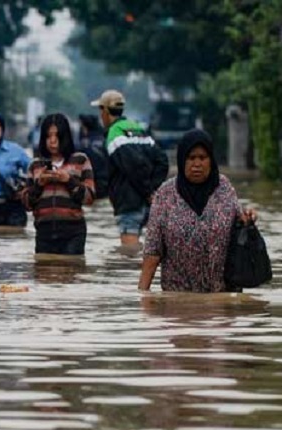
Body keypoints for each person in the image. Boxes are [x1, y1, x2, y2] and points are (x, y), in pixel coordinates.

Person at [138, 129, 258, 293]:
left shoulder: (224, 188)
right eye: (191, 158)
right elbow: (152, 252)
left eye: (202, 158)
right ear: (182, 160)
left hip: (220, 299)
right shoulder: (165, 195)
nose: (197, 164)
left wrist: (246, 221)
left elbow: (238, 229)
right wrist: (142, 298)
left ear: (211, 160)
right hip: (178, 301)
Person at [91, 89, 168, 246]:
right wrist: (153, 191)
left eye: (100, 110)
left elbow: (133, 165)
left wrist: (148, 192)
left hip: (129, 204)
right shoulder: (139, 129)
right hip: (146, 205)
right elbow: (162, 161)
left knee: (129, 253)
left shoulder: (114, 134)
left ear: (105, 111)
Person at [24, 113, 95, 255]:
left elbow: (89, 198)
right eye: (48, 136)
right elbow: (27, 204)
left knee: (71, 273)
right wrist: (40, 184)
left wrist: (68, 180)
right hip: (44, 232)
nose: (52, 141)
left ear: (65, 137)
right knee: (43, 274)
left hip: (73, 232)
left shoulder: (80, 160)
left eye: (57, 136)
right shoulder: (35, 165)